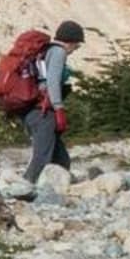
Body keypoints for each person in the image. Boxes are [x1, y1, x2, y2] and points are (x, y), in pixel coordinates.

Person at [23, 20, 82, 187]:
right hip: (42, 111)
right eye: (76, 46)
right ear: (70, 41)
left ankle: (54, 190)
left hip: (33, 110)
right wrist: (59, 109)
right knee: (42, 156)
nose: (74, 50)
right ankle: (25, 187)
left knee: (61, 159)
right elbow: (53, 82)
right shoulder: (58, 52)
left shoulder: (45, 51)